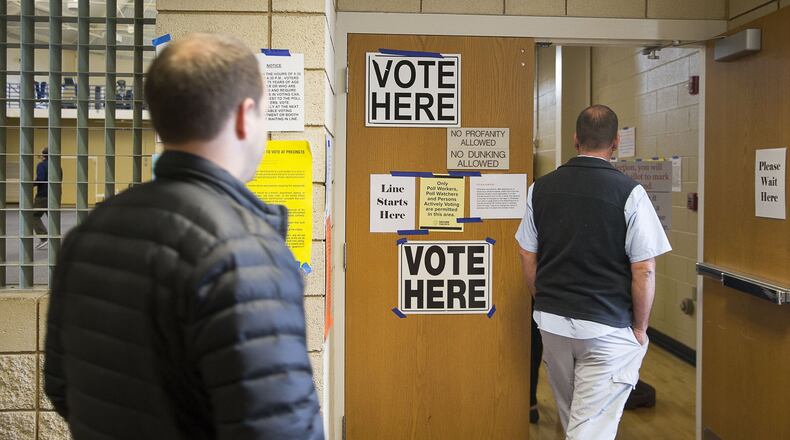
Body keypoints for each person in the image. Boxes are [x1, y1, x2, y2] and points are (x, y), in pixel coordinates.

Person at [44, 34, 324, 440]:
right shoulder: (245, 251)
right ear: (246, 116)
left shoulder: (91, 231)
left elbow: (61, 386)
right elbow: (280, 430)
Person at [516, 105, 671, 439]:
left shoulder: (539, 189)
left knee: (575, 417)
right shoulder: (631, 194)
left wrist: (542, 300)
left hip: (552, 323)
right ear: (615, 143)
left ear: (575, 140)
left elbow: (527, 253)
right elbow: (644, 269)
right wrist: (640, 329)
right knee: (590, 429)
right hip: (607, 327)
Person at [33, 148, 49, 250]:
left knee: (33, 215)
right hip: (55, 195)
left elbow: (41, 179)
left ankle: (44, 237)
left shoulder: (41, 165)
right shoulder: (58, 165)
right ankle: (53, 239)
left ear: (43, 156)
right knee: (52, 216)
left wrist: (31, 184)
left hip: (42, 195)